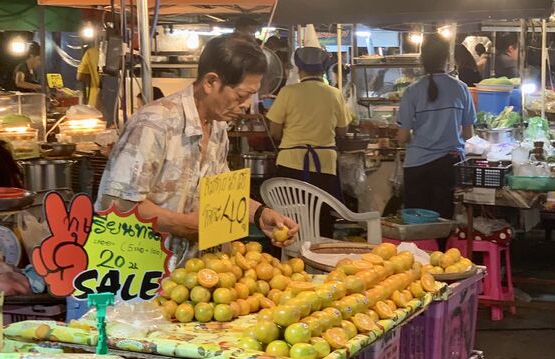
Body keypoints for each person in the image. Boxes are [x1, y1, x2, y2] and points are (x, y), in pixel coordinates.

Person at [96, 34, 299, 267]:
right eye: (241, 95)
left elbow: (220, 192)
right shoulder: (155, 123)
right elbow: (116, 203)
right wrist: (186, 225)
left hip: (189, 277)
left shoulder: (218, 128)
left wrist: (259, 213)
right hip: (137, 275)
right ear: (211, 82)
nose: (245, 105)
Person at [266, 46, 350, 237]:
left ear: (299, 68)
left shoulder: (288, 92)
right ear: (323, 69)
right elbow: (343, 131)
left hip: (290, 161)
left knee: (290, 215)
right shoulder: (334, 93)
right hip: (324, 164)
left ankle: (291, 254)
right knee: (322, 215)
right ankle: (322, 256)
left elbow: (274, 131)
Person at [397, 34, 476, 219]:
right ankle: (441, 248)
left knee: (416, 220)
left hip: (417, 164)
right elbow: (468, 134)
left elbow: (402, 136)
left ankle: (418, 249)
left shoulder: (412, 91)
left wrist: (414, 137)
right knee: (442, 218)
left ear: (422, 60)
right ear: (447, 59)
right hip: (448, 164)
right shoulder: (461, 88)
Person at [77, 43, 101, 108]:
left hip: (96, 102)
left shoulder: (91, 52)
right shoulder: (125, 53)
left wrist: (95, 77)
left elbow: (80, 77)